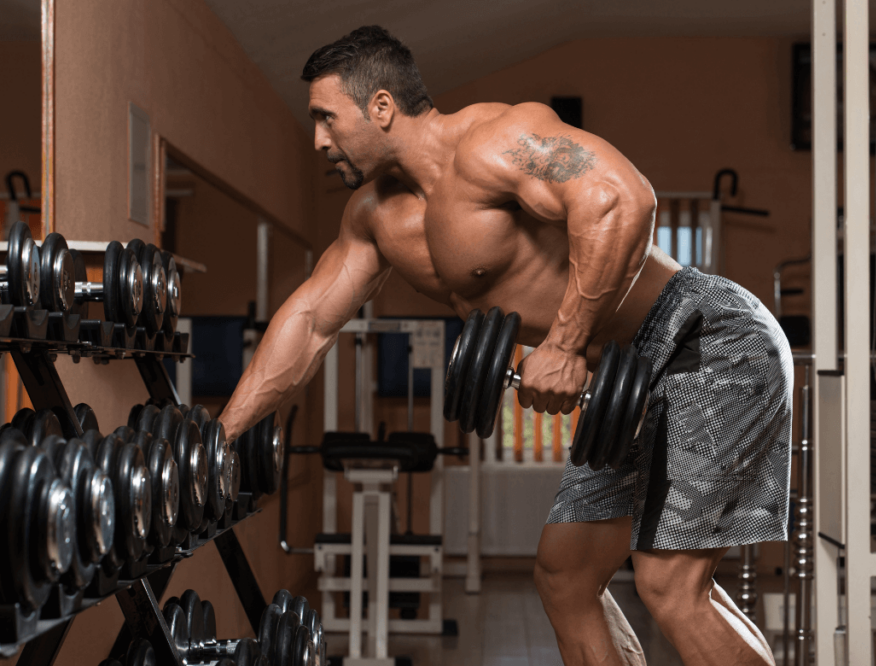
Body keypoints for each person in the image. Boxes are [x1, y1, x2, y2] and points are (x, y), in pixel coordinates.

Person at [220, 25, 791, 666]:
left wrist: (568, 343)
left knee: (671, 585)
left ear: (380, 107)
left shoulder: (494, 142)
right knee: (566, 577)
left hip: (704, 338)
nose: (319, 139)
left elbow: (620, 199)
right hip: (628, 383)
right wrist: (221, 437)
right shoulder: (375, 218)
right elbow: (310, 323)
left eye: (327, 117)